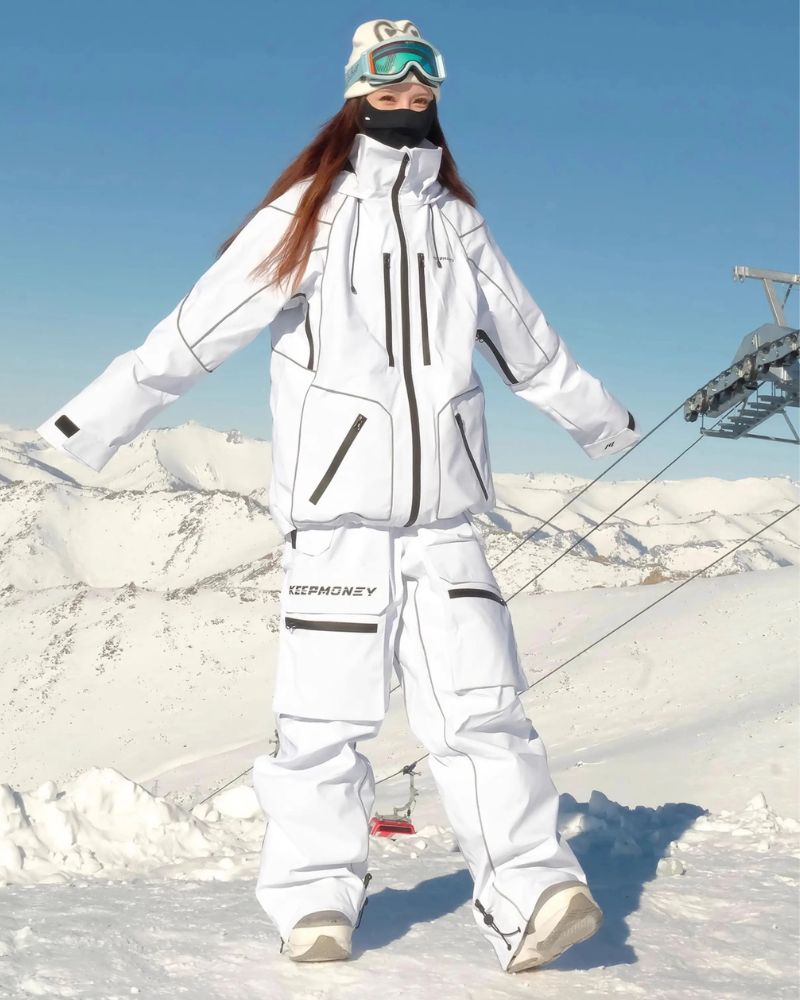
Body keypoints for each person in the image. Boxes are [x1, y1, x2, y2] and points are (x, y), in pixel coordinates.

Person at [36, 18, 641, 974]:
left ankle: (533, 892)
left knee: (485, 714)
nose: (408, 107)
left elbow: (532, 346)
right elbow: (190, 335)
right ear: (356, 98)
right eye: (389, 93)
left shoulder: (458, 225)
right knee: (323, 725)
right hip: (338, 522)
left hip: (447, 520)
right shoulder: (307, 216)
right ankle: (316, 900)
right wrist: (83, 429)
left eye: (422, 95)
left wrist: (605, 423)